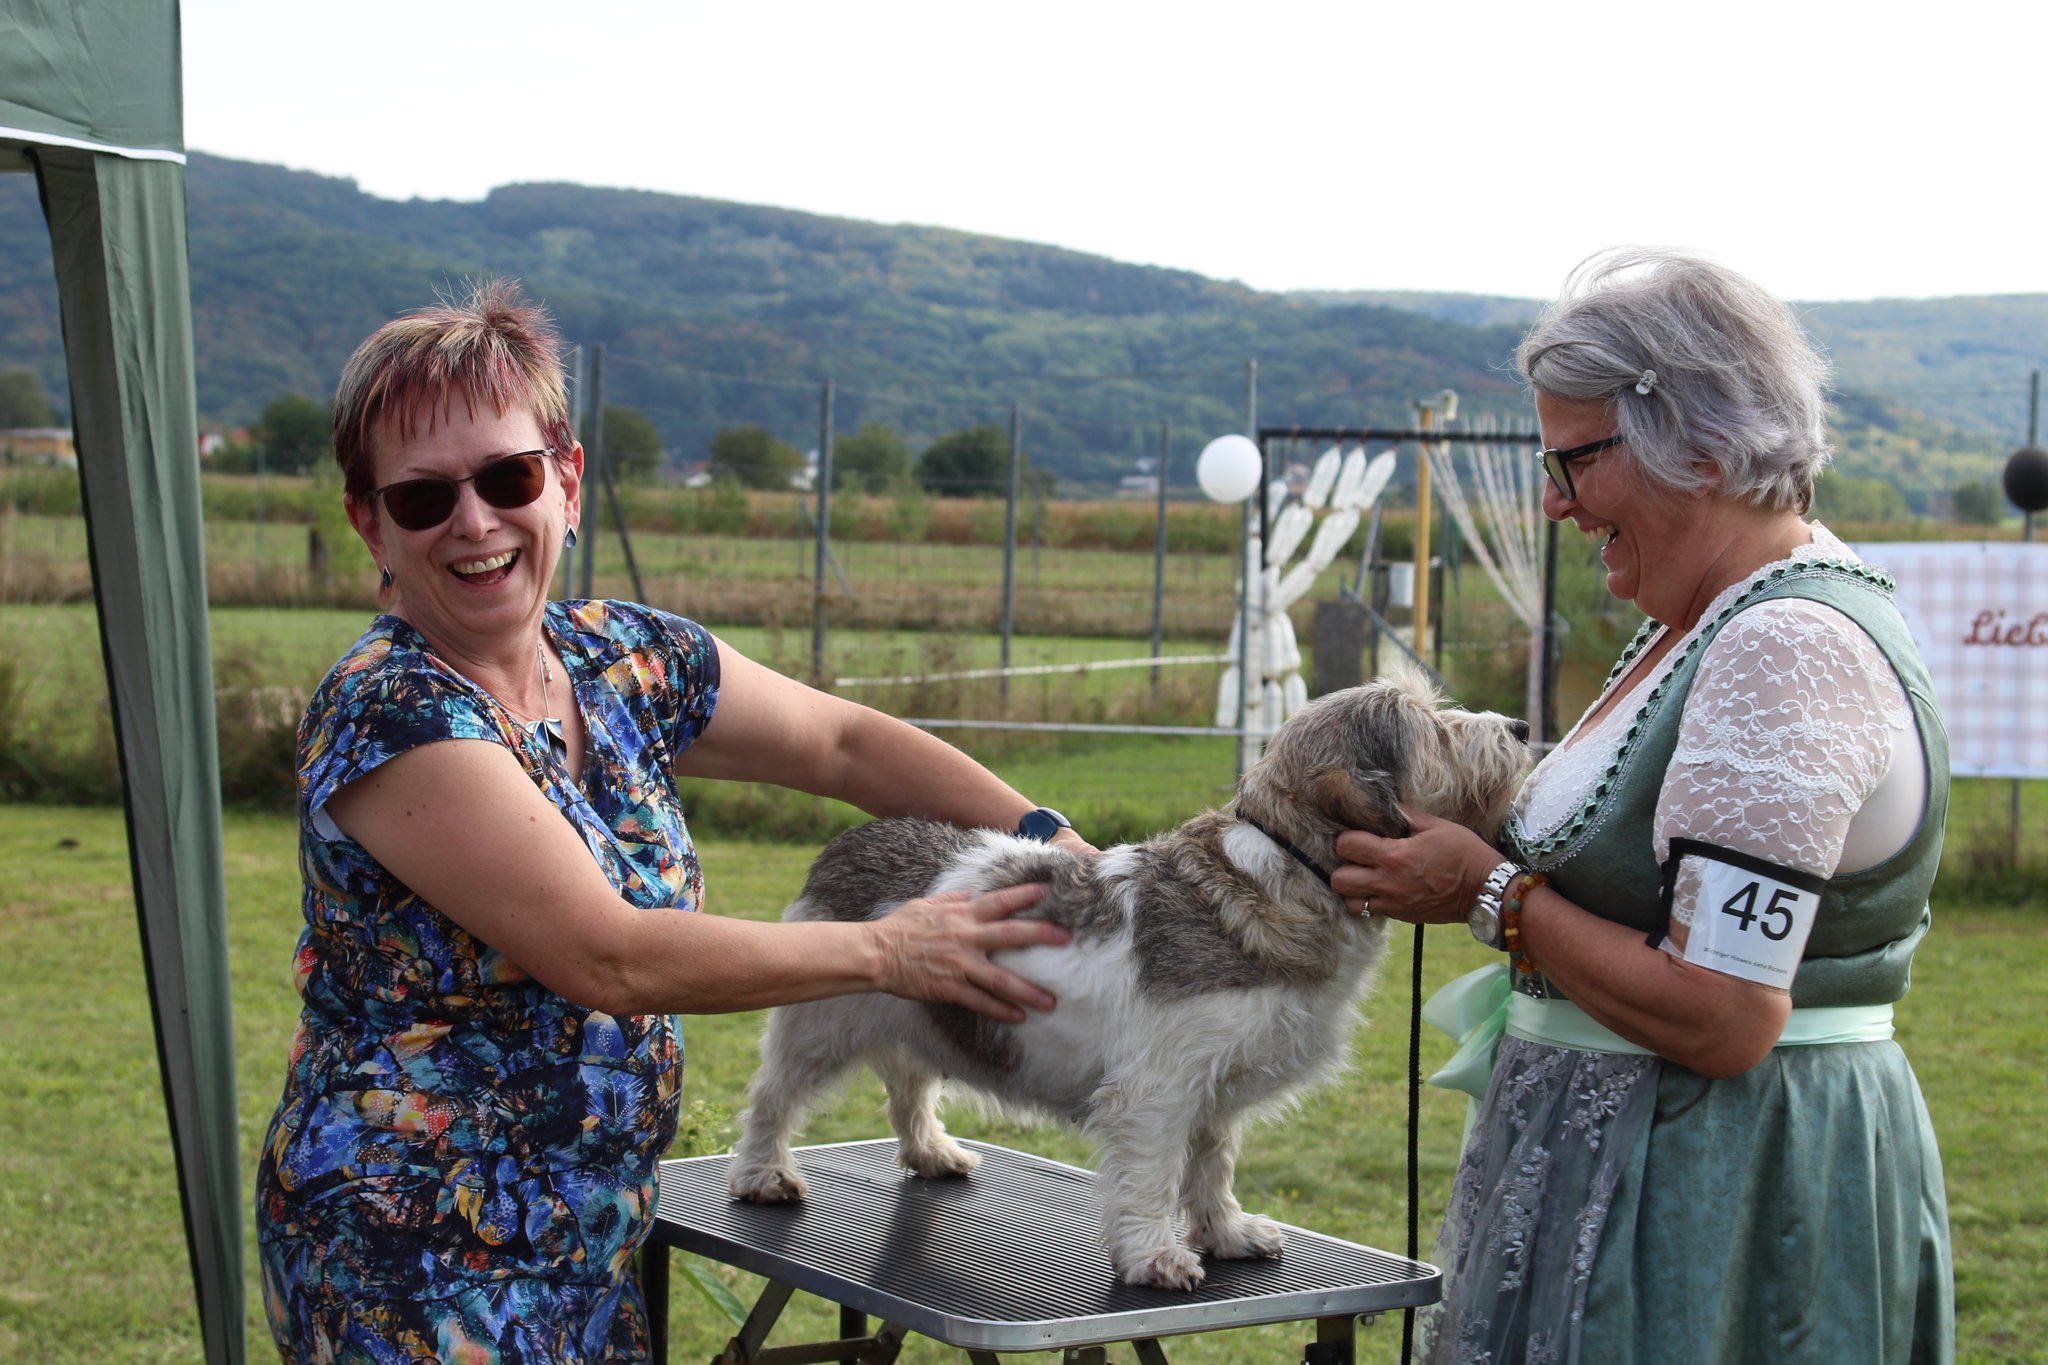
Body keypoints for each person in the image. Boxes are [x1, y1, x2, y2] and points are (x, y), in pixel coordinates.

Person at [254, 278, 1089, 1362]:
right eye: (422, 497)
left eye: (507, 476)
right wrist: (889, 950)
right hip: (408, 1261)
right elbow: (610, 956)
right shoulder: (390, 707)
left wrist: (1047, 837)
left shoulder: (626, 660)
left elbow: (842, 745)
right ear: (369, 523)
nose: (474, 521)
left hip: (590, 1240)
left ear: (566, 481)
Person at [1334, 249, 1952, 1363]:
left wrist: (1485, 892)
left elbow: (1723, 1013)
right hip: (1625, 1163)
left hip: (1718, 1193)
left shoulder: (1783, 647)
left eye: (1572, 460)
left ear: (1702, 448)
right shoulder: (1704, 618)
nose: (1553, 501)